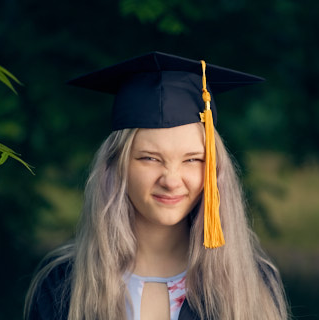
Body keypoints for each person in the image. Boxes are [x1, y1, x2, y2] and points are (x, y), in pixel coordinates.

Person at [25, 52, 289, 320]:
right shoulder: (63, 285)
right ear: (117, 165)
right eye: (150, 158)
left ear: (214, 170)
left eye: (192, 159)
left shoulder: (250, 283)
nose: (171, 180)